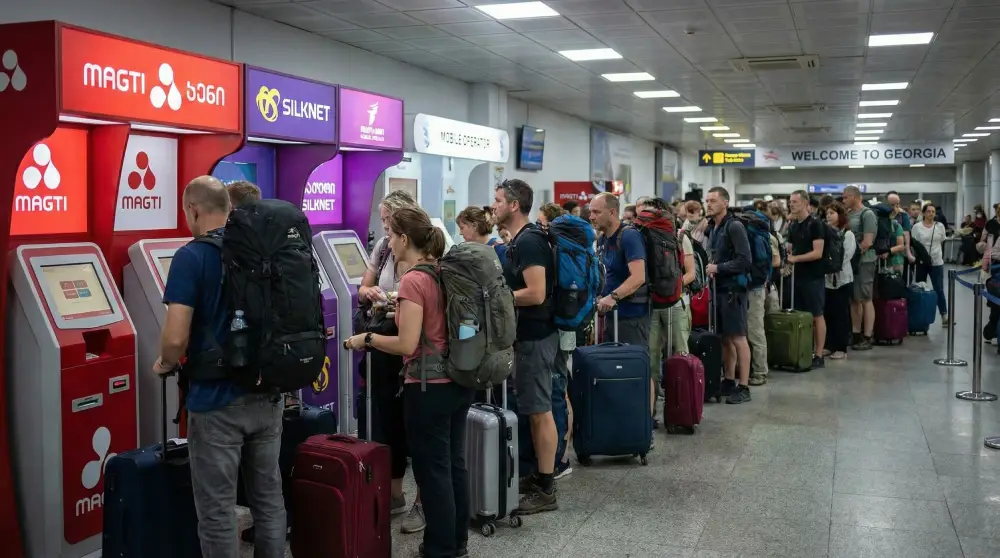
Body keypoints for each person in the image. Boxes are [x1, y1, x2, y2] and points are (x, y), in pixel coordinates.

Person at [154, 176, 285, 558]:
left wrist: (163, 363)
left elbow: (176, 337)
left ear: (193, 209)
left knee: (217, 511)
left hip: (216, 401)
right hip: (267, 392)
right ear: (228, 207)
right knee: (268, 500)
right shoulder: (263, 249)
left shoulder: (191, 256)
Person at [344, 208, 472, 558]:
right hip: (459, 378)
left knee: (433, 471)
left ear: (403, 239)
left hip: (429, 384)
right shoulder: (444, 269)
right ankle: (458, 541)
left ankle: (440, 547)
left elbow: (406, 344)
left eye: (391, 235)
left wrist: (366, 339)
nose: (388, 241)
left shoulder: (415, 279)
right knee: (454, 463)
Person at [357, 189, 424, 533]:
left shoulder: (426, 258)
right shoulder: (383, 250)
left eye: (388, 221)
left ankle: (422, 503)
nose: (383, 228)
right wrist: (370, 294)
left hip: (415, 352)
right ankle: (396, 493)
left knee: (418, 426)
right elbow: (364, 287)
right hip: (386, 345)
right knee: (388, 421)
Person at [493, 179, 560, 514]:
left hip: (536, 336)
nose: (494, 206)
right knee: (533, 410)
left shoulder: (530, 241)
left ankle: (547, 488)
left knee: (539, 411)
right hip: (528, 337)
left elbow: (536, 293)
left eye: (498, 200)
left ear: (514, 205)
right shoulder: (521, 239)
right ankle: (538, 475)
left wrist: (497, 298)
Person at [640, 198, 696, 408]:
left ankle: (680, 404)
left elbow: (691, 273)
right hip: (653, 304)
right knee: (652, 356)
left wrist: (673, 286)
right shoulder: (642, 238)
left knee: (679, 353)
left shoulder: (680, 237)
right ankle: (652, 406)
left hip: (677, 302)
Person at [704, 187, 753, 404]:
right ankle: (729, 379)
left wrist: (718, 268)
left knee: (738, 337)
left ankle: (744, 386)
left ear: (725, 203)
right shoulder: (714, 227)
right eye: (707, 200)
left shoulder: (734, 226)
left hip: (734, 290)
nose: (709, 204)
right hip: (720, 290)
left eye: (713, 200)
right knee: (725, 338)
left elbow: (745, 260)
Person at [786, 190, 827, 368]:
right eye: (790, 202)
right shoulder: (793, 226)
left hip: (814, 276)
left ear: (805, 203)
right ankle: (803, 349)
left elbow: (818, 253)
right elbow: (790, 249)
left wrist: (795, 258)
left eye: (795, 201)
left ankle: (819, 354)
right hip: (798, 276)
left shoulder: (816, 224)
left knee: (816, 314)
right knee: (801, 314)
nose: (791, 204)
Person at [843, 185, 877, 350]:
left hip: (865, 261)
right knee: (855, 299)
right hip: (851, 262)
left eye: (845, 197)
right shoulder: (848, 214)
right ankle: (856, 334)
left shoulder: (867, 214)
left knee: (865, 298)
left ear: (854, 197)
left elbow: (868, 241)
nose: (843, 201)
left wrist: (854, 255)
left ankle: (868, 335)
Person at [824, 202, 856, 360]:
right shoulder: (825, 232)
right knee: (828, 314)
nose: (828, 215)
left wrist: (830, 266)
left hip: (843, 280)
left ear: (840, 215)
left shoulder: (848, 234)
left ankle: (841, 348)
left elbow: (846, 256)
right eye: (827, 213)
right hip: (827, 280)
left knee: (841, 315)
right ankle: (829, 345)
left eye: (832, 213)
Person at [911, 203, 949, 326]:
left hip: (937, 262)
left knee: (939, 289)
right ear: (924, 213)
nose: (931, 214)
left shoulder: (940, 226)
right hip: (922, 261)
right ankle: (919, 315)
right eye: (929, 211)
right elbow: (914, 244)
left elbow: (942, 240)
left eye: (933, 212)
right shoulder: (917, 227)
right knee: (920, 288)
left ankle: (944, 315)